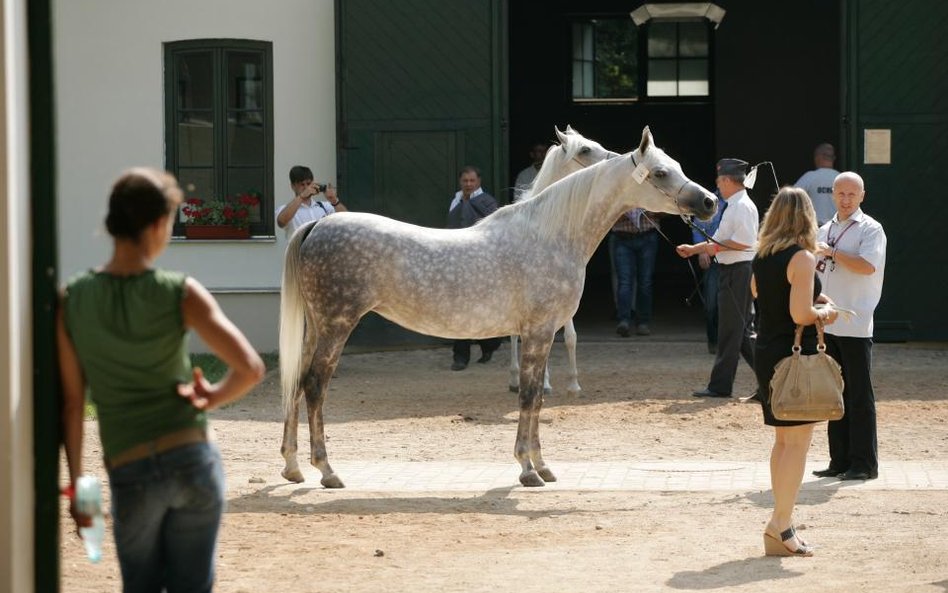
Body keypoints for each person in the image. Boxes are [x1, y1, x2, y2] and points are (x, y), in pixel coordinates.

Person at [58, 168, 265, 591]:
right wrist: (212, 397)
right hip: (190, 460)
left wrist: (80, 488)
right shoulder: (179, 291)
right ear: (156, 225)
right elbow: (250, 368)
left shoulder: (72, 299)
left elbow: (73, 404)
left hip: (130, 468)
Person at [750, 186, 839, 557]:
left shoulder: (762, 255)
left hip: (767, 351)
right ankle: (781, 525)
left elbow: (762, 295)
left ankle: (781, 524)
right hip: (793, 355)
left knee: (783, 442)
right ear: (806, 217)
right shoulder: (802, 258)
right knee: (797, 444)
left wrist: (812, 296)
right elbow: (800, 315)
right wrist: (826, 312)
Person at [811, 171, 887, 481]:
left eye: (851, 195)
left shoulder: (871, 229)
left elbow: (867, 266)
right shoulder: (824, 229)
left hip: (855, 322)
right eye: (840, 194)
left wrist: (831, 253)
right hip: (828, 321)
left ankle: (864, 464)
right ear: (833, 195)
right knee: (834, 394)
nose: (845, 199)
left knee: (859, 395)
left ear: (862, 196)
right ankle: (839, 460)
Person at [676, 158, 759, 398]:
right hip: (736, 271)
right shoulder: (736, 204)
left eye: (719, 180)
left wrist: (708, 249)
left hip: (737, 272)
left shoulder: (740, 206)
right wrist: (695, 250)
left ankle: (721, 386)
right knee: (741, 333)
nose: (718, 185)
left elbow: (743, 242)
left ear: (727, 180)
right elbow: (725, 240)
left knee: (732, 332)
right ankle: (771, 381)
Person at [446, 165, 500, 370]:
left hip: (481, 263)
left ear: (478, 182)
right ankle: (460, 357)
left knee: (481, 308)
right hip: (457, 261)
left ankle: (490, 344)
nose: (468, 184)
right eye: (465, 181)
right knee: (459, 309)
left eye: (472, 181)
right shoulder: (455, 199)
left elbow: (493, 228)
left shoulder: (488, 201)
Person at [609, 208, 662, 337]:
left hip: (647, 235)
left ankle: (643, 322)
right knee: (624, 281)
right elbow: (605, 212)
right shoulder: (617, 189)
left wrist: (653, 212)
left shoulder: (653, 187)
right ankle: (624, 320)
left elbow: (667, 209)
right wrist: (620, 213)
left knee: (645, 282)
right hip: (622, 237)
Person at [689, 190, 726, 353]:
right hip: (713, 260)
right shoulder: (709, 200)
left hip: (735, 261)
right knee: (711, 304)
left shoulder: (742, 204)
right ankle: (713, 341)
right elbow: (697, 227)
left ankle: (731, 345)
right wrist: (701, 250)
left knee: (732, 306)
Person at [276, 165, 348, 238]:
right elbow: (281, 222)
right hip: (300, 249)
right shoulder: (286, 209)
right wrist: (301, 196)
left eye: (308, 183)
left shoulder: (324, 206)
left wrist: (334, 200)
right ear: (293, 186)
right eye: (302, 184)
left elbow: (345, 219)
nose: (306, 187)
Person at [794, 143, 839, 226]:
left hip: (814, 229)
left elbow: (790, 199)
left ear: (818, 157)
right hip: (838, 229)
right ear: (833, 158)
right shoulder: (841, 178)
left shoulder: (809, 177)